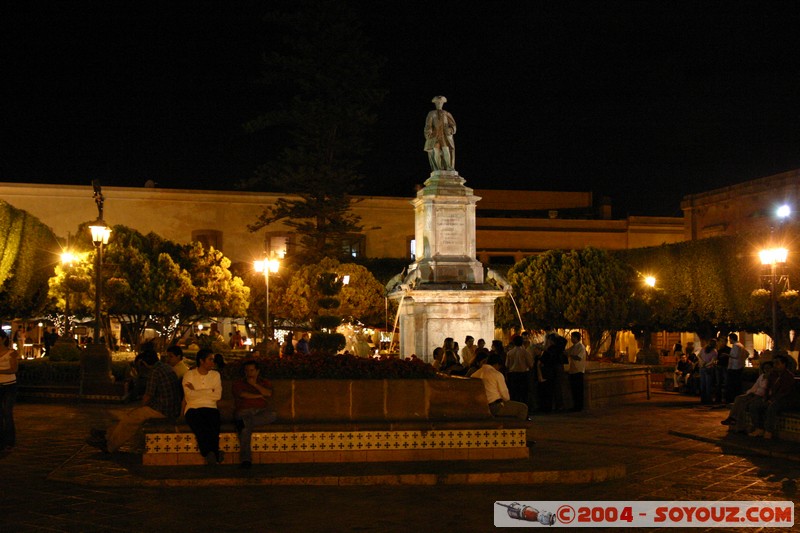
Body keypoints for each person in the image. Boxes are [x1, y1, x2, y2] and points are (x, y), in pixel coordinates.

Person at [87, 348, 181, 453]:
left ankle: (110, 445)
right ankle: (107, 434)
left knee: (132, 419)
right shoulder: (165, 367)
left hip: (163, 410)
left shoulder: (155, 372)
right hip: (170, 407)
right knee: (131, 416)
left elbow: (148, 395)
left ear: (144, 363)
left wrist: (140, 407)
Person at [232, 360, 277, 469]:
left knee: (272, 415)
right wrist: (258, 396)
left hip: (260, 412)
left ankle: (244, 423)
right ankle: (246, 460)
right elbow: (243, 395)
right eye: (247, 370)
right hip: (244, 411)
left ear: (257, 371)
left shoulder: (263, 382)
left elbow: (268, 393)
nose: (249, 373)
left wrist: (255, 385)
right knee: (245, 429)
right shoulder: (239, 383)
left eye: (252, 370)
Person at [183, 349, 224, 465]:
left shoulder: (215, 375)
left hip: (211, 406)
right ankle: (213, 453)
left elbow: (217, 395)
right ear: (201, 361)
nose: (213, 362)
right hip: (193, 407)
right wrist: (208, 391)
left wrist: (196, 390)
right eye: (210, 359)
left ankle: (209, 453)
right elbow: (189, 396)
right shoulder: (189, 375)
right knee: (199, 424)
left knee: (213, 423)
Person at [748, 355, 799, 439]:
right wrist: (766, 397)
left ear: (784, 364)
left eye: (777, 363)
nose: (775, 365)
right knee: (754, 405)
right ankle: (759, 428)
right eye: (774, 363)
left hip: (785, 400)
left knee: (772, 407)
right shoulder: (773, 375)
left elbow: (785, 392)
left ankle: (769, 430)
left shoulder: (788, 376)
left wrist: (772, 400)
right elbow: (768, 388)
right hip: (772, 398)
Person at [471, 353, 528, 420]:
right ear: (497, 364)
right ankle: (516, 428)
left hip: (479, 406)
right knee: (523, 408)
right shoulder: (496, 374)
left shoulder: (474, 374)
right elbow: (505, 396)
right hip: (494, 406)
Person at [721, 361, 772, 433]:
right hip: (755, 393)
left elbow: (767, 390)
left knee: (745, 404)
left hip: (761, 396)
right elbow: (756, 386)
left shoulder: (772, 378)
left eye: (768, 368)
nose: (766, 370)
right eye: (765, 368)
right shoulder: (762, 376)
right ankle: (732, 418)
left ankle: (739, 424)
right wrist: (750, 392)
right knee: (739, 399)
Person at [423, 95, 456, 171]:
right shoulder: (431, 113)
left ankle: (449, 166)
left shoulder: (446, 113)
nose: (439, 104)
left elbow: (453, 124)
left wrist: (450, 129)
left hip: (444, 135)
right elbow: (428, 125)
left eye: (440, 103)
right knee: (436, 150)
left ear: (442, 104)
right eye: (437, 103)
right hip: (435, 135)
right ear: (435, 104)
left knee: (446, 150)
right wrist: (429, 133)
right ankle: (438, 168)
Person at [0, 330, 20, 451]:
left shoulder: (11, 353)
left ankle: (9, 440)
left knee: (7, 412)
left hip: (9, 386)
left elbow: (13, 369)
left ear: (3, 339)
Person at [505, 335, 533, 405]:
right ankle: (524, 408)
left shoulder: (509, 353)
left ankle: (514, 407)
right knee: (524, 393)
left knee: (514, 393)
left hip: (513, 375)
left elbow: (507, 365)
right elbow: (530, 364)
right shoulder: (525, 352)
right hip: (523, 374)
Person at [566, 331, 587, 411]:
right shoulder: (573, 347)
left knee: (578, 390)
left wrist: (570, 355)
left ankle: (579, 406)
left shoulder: (581, 347)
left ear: (576, 338)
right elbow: (566, 352)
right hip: (573, 371)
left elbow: (579, 357)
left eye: (572, 337)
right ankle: (575, 406)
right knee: (574, 390)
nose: (571, 339)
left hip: (578, 371)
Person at [726, 333, 747, 403]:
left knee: (733, 384)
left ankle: (732, 399)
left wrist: (727, 355)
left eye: (730, 339)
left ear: (732, 339)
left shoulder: (736, 346)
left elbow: (735, 356)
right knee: (737, 384)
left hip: (734, 367)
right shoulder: (741, 345)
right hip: (739, 366)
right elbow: (747, 354)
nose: (729, 341)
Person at [699, 339, 717, 404]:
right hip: (708, 368)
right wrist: (706, 364)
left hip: (702, 367)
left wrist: (702, 363)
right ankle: (708, 399)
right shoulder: (714, 351)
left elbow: (699, 356)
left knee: (703, 384)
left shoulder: (703, 349)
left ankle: (703, 399)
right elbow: (712, 361)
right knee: (708, 384)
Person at [714, 335, 730, 403]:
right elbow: (717, 358)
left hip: (725, 367)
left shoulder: (729, 349)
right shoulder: (719, 350)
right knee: (718, 383)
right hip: (719, 366)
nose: (721, 343)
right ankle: (718, 398)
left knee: (726, 382)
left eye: (722, 341)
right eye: (720, 341)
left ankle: (726, 398)